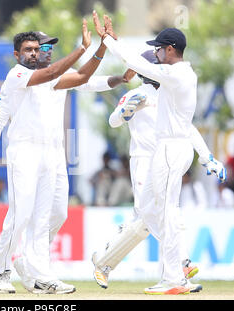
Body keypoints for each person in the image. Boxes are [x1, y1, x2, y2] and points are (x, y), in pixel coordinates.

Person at [93, 12, 226, 294]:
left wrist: (107, 40)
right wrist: (126, 109)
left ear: (169, 50)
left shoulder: (176, 74)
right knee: (152, 212)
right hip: (159, 152)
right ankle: (175, 268)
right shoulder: (171, 80)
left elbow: (138, 63)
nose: (155, 54)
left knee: (164, 213)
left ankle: (174, 278)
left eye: (158, 49)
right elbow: (136, 79)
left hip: (170, 149)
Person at [0, 21, 100, 294]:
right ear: (17, 54)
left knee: (45, 217)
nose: (33, 54)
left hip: (50, 152)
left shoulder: (49, 76)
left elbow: (82, 78)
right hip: (24, 152)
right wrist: (82, 47)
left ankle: (39, 274)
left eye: (36, 49)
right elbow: (50, 73)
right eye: (28, 50)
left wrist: (102, 47)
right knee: (20, 216)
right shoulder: (17, 75)